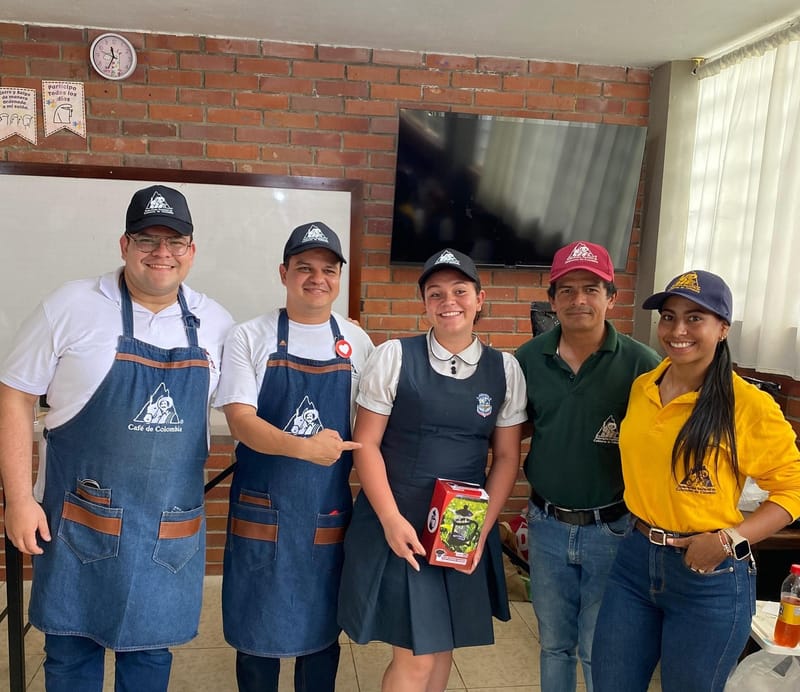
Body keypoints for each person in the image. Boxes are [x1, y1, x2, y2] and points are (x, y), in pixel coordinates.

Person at [0, 185, 234, 692]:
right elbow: (15, 395)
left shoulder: (216, 323)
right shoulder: (70, 305)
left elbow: (247, 410)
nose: (161, 253)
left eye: (175, 242)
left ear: (191, 251)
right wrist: (19, 499)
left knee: (149, 656)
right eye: (148, 239)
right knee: (69, 650)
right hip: (82, 520)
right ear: (124, 244)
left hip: (166, 531)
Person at [592, 270, 800, 692]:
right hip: (635, 561)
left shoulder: (748, 405)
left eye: (695, 318)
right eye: (669, 317)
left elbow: (793, 489)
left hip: (709, 574)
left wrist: (729, 538)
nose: (678, 330)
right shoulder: (644, 386)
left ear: (722, 329)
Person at [338, 248, 527, 691]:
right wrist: (389, 519)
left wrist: (482, 529)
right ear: (424, 302)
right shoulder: (394, 357)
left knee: (441, 647)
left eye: (460, 291)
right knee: (418, 656)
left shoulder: (506, 370)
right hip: (401, 521)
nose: (449, 301)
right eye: (436, 293)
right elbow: (365, 443)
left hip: (461, 529)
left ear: (480, 299)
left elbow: (505, 457)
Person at [215, 221, 374, 692]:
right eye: (304, 267)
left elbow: (371, 426)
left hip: (326, 510)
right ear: (284, 272)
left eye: (328, 269)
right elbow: (241, 422)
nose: (317, 278)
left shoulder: (357, 342)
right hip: (262, 509)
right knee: (256, 629)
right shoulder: (250, 336)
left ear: (339, 277)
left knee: (322, 633)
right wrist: (306, 447)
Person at [514, 240, 661, 691]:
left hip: (613, 528)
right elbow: (511, 432)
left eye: (592, 289)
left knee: (601, 645)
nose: (580, 300)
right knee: (555, 643)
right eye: (569, 289)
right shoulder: (527, 360)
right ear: (553, 298)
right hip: (547, 525)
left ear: (611, 297)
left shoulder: (643, 364)